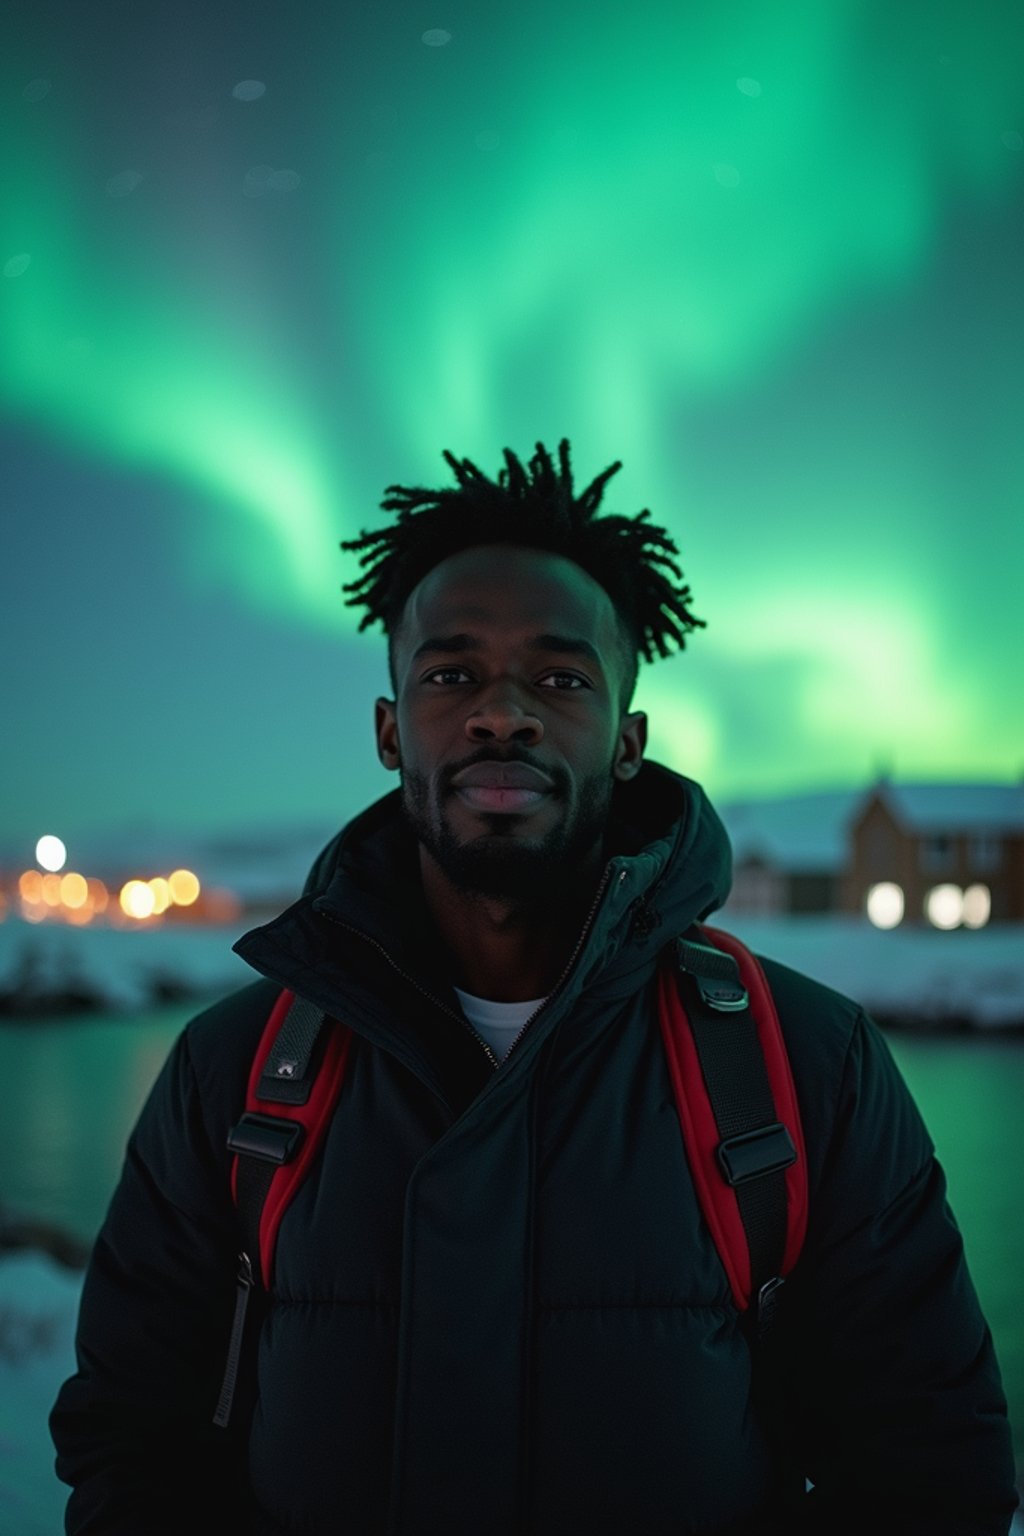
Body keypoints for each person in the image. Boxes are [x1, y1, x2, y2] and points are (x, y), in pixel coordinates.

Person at [50, 439, 1019, 1535]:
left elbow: (930, 1476)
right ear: (386, 729)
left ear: (626, 742)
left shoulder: (807, 1065)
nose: (500, 714)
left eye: (560, 679)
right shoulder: (233, 1071)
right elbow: (131, 1449)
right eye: (450, 673)